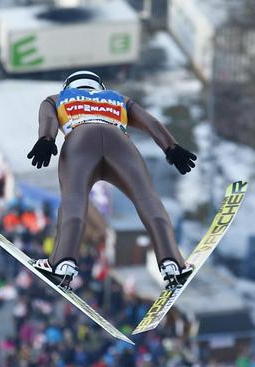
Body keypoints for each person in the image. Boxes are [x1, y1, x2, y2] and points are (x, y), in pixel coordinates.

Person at [28, 70, 197, 290]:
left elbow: (49, 118)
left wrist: (46, 139)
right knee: (147, 199)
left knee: (75, 200)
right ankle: (173, 263)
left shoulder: (57, 98)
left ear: (69, 86)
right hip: (120, 143)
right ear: (100, 86)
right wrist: (171, 147)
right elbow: (150, 122)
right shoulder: (118, 98)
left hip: (80, 140)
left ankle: (62, 264)